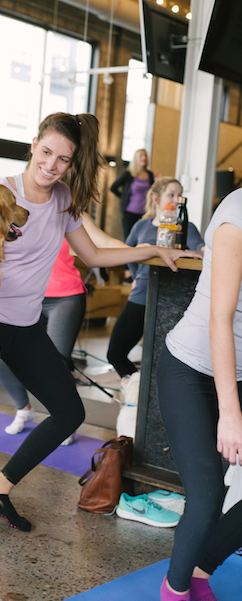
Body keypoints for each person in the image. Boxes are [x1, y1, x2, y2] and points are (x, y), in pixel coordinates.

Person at [0, 111, 198, 532]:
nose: (51, 165)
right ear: (33, 145)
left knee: (68, 412)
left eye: (63, 159)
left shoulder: (63, 200)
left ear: (71, 163)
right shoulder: (0, 193)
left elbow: (95, 255)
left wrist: (153, 252)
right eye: (46, 152)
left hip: (26, 327)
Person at [156, 187, 242, 601]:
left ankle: (201, 571)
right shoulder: (238, 213)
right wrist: (230, 412)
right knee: (207, 497)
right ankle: (174, 590)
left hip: (239, 373)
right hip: (190, 367)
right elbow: (219, 319)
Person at [0, 211, 129, 441]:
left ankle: (62, 421)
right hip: (26, 296)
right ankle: (24, 408)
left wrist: (144, 254)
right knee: (1, 355)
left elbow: (105, 243)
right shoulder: (18, 211)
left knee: (57, 363)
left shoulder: (72, 214)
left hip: (65, 297)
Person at [107, 177, 205, 379]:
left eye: (180, 195)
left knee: (160, 361)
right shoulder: (141, 226)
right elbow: (128, 253)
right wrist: (135, 276)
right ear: (156, 199)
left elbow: (201, 252)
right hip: (140, 295)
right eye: (171, 195)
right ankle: (136, 392)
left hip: (171, 301)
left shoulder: (187, 227)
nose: (177, 199)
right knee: (115, 354)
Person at [110, 148, 154, 240]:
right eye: (141, 155)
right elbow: (113, 187)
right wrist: (123, 198)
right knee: (129, 238)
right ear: (136, 158)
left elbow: (153, 192)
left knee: (141, 238)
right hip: (129, 212)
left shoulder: (150, 175)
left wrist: (157, 182)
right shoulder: (129, 174)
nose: (144, 158)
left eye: (145, 155)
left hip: (145, 213)